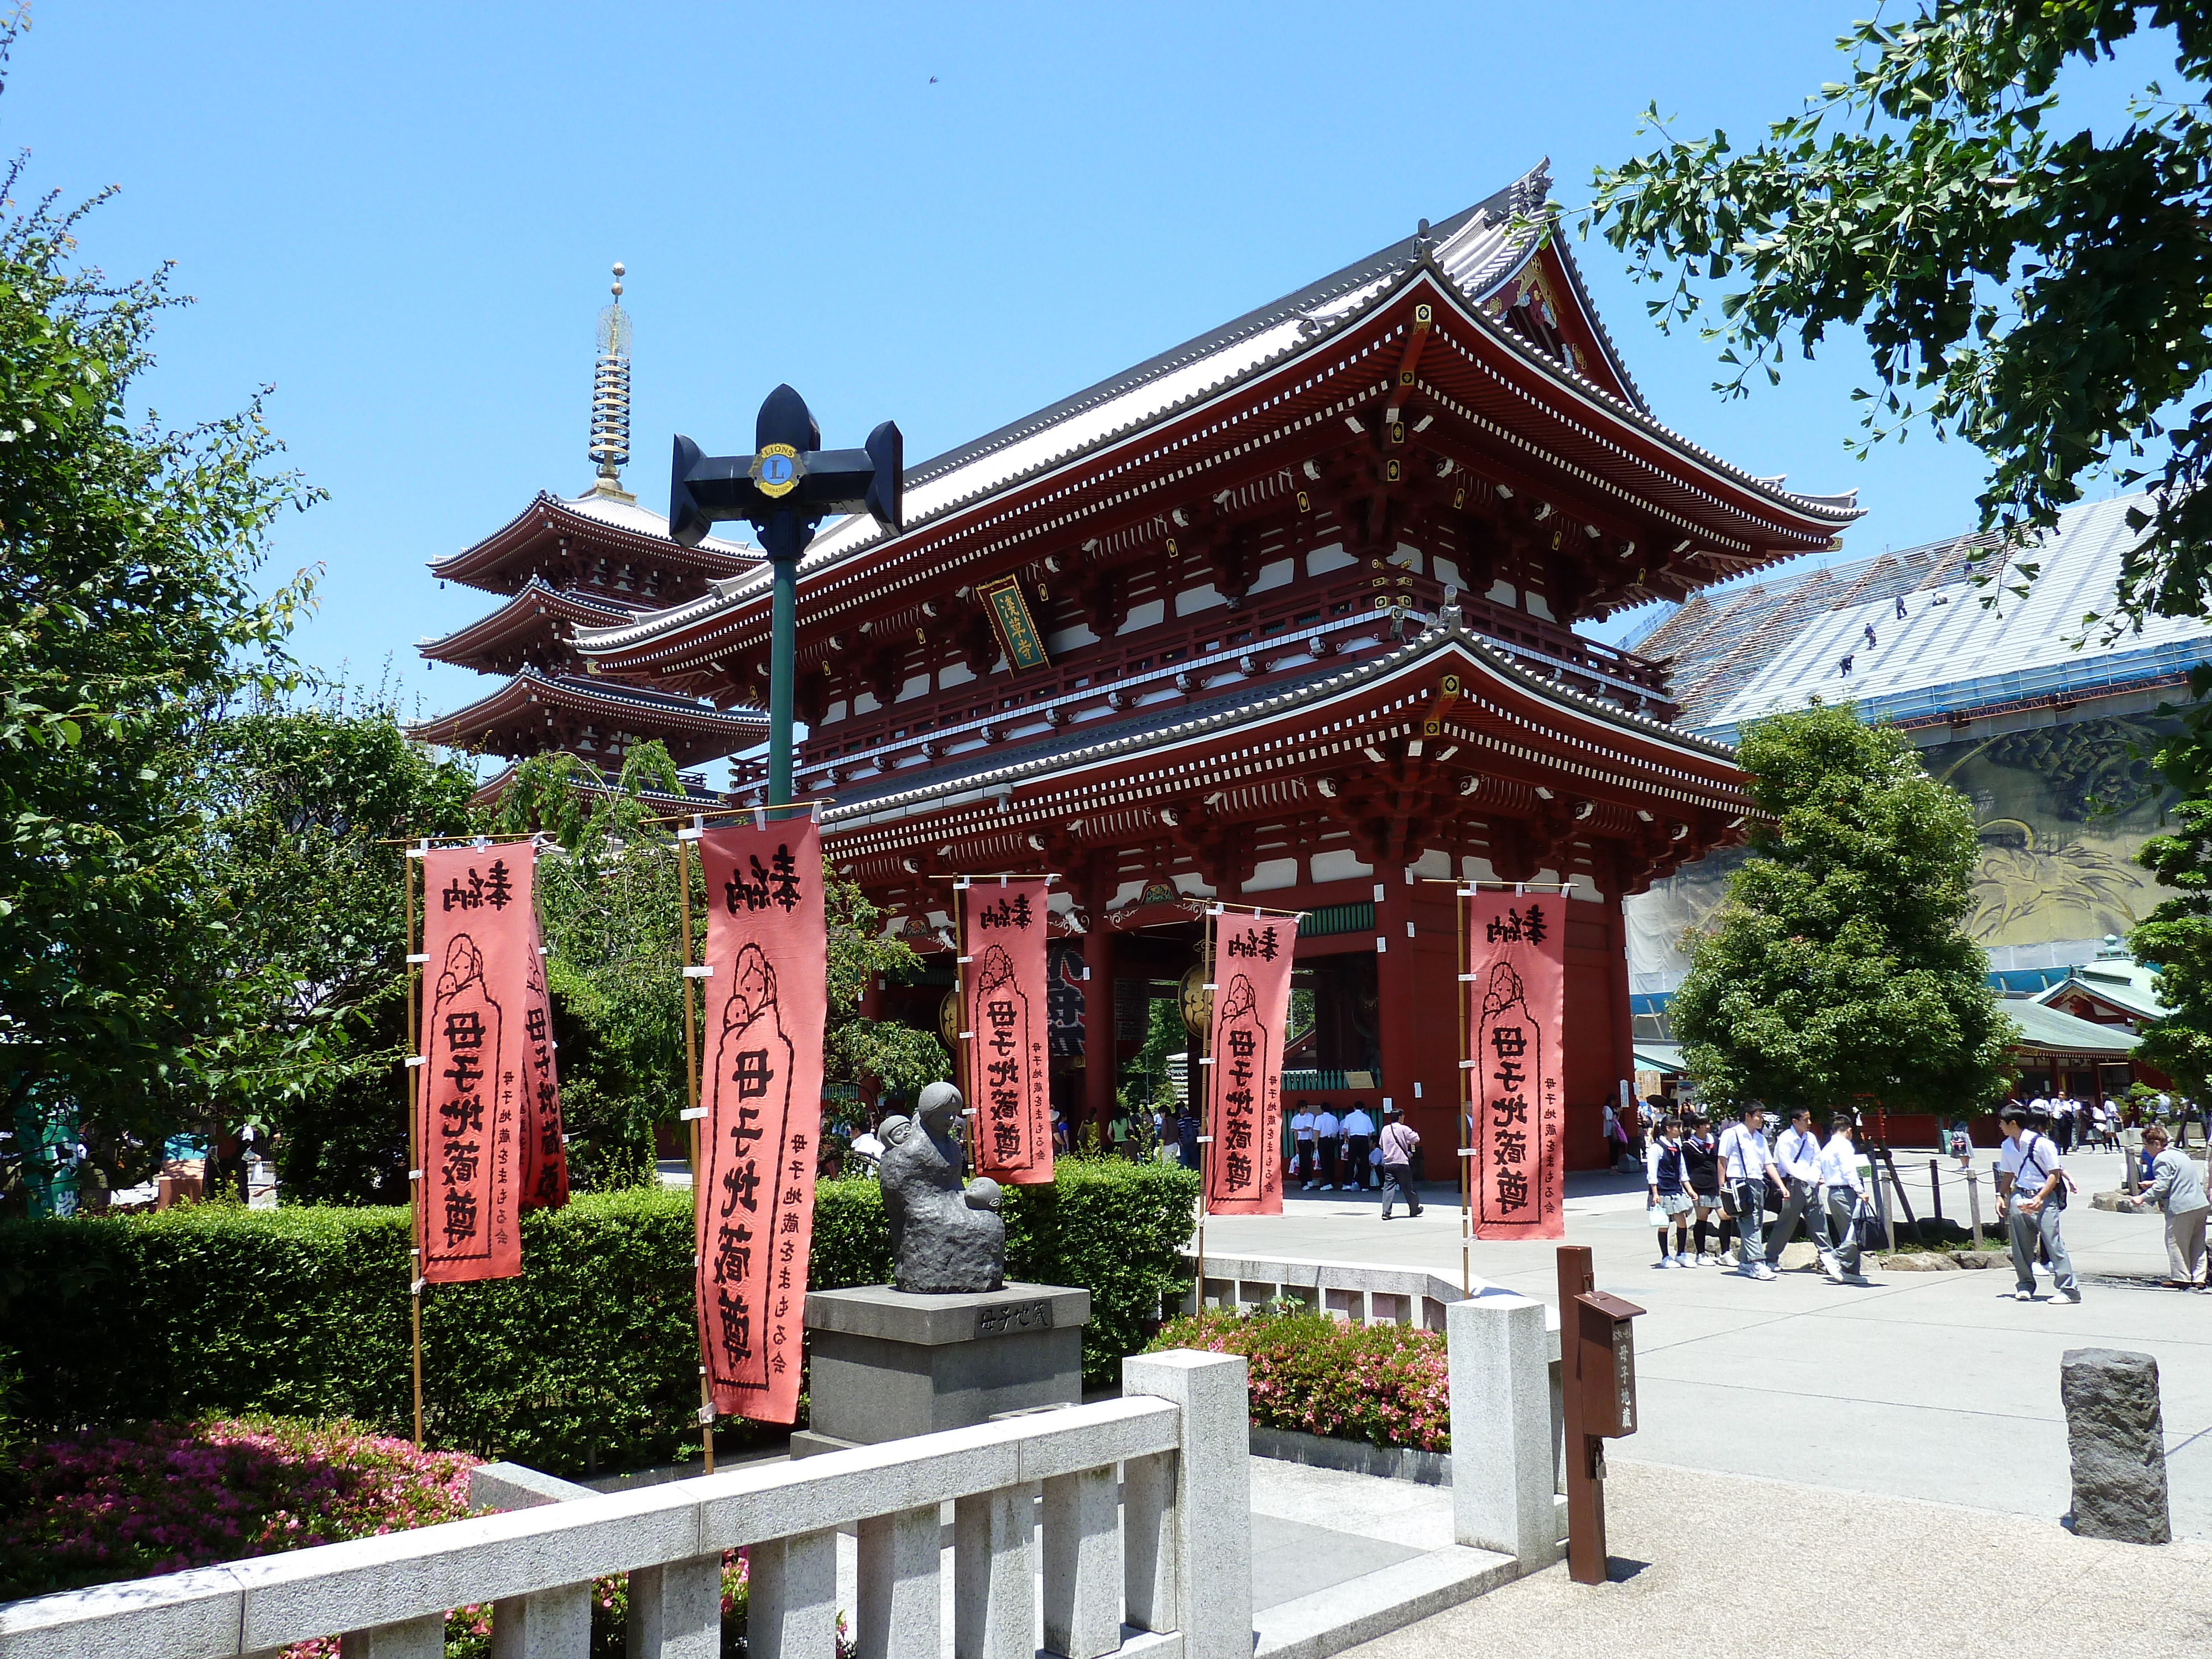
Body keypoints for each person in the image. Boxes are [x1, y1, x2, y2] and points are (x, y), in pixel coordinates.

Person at [1999, 1105, 2079, 1305]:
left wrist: (2041, 1197)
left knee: (2053, 1243)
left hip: (2043, 1197)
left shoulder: (2042, 1144)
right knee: (2020, 1246)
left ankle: (2069, 1290)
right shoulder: (2007, 1146)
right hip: (2020, 1195)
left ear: (2014, 1124)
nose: (2000, 1126)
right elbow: (2008, 1174)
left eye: (2002, 1122)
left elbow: (2054, 1173)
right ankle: (2025, 1285)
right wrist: (2000, 1195)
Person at [2134, 1124, 2209, 1288]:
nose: (2146, 1150)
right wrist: (2153, 1183)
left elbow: (2162, 1187)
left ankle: (2181, 1277)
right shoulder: (2179, 1154)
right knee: (2197, 1243)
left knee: (2175, 1242)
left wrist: (2142, 1198)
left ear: (2156, 1144)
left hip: (2181, 1206)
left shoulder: (2161, 1159)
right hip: (2200, 1204)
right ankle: (2199, 1278)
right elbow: (2176, 1177)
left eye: (2146, 1146)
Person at [1765, 1107, 1836, 1275]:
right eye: (1805, 1120)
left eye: (1810, 1119)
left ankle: (1828, 1259)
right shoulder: (1786, 1139)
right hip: (1793, 1185)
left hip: (1811, 1185)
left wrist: (1815, 1176)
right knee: (1787, 1224)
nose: (1809, 1123)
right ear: (1795, 1121)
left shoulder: (1811, 1138)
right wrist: (1810, 1178)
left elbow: (1817, 1159)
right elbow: (1787, 1165)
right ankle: (1770, 1258)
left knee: (1819, 1223)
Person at [1719, 1106, 1782, 1280]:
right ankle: (1757, 1262)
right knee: (1749, 1222)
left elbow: (1768, 1164)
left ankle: (1745, 1262)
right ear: (1747, 1116)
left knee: (1757, 1222)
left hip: (1757, 1182)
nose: (1761, 1120)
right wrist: (1722, 1185)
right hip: (1739, 1182)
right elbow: (1722, 1160)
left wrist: (1781, 1186)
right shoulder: (1732, 1134)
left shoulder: (1760, 1138)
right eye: (1758, 1116)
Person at [1816, 1113, 1873, 1286]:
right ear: (1849, 1130)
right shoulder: (1845, 1146)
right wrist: (1860, 1190)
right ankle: (1834, 1257)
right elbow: (1849, 1170)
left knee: (1846, 1233)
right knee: (1856, 1233)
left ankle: (1850, 1271)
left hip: (1832, 1193)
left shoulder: (1827, 1148)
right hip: (1846, 1191)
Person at [1647, 1114, 1695, 1267]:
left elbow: (1683, 1171)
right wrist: (1655, 1193)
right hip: (1662, 1191)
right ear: (1668, 1129)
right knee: (1664, 1224)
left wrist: (1690, 1190)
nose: (1680, 1131)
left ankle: (1681, 1253)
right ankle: (1665, 1257)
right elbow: (1652, 1172)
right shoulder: (1657, 1148)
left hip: (1676, 1189)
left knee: (1682, 1222)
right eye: (1677, 1127)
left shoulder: (1677, 1147)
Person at [1681, 1114, 1724, 1265]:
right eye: (1703, 1124)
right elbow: (1685, 1168)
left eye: (1708, 1123)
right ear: (1695, 1127)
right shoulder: (1688, 1146)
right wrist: (1689, 1189)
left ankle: (1726, 1252)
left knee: (1725, 1215)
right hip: (1700, 1186)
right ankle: (1701, 1253)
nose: (1708, 1126)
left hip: (1717, 1184)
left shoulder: (1716, 1141)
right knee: (1702, 1218)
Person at [1378, 1104, 1423, 1219]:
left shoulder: (1385, 1129)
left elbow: (1381, 1145)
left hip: (1388, 1163)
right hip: (1402, 1162)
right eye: (1403, 1116)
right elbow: (1416, 1138)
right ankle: (1414, 1209)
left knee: (1388, 1187)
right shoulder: (1404, 1128)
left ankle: (1386, 1212)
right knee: (1408, 1187)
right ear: (1399, 1117)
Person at [1341, 1100, 1377, 1192]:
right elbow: (1370, 1132)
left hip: (1353, 1139)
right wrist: (1366, 1140)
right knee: (1365, 1162)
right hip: (1364, 1139)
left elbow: (1345, 1130)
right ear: (1363, 1109)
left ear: (1354, 1108)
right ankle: (1364, 1186)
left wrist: (1347, 1139)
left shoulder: (1349, 1117)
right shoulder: (1366, 1117)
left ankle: (1348, 1184)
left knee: (1351, 1162)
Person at [1313, 1103, 1342, 1190]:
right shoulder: (1334, 1119)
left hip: (1322, 1141)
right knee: (1331, 1162)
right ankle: (1331, 1181)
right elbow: (1337, 1130)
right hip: (1331, 1140)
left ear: (1322, 1110)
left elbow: (1317, 1131)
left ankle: (1327, 1182)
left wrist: (1316, 1143)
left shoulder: (1319, 1118)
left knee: (1324, 1162)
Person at [1290, 1100, 1318, 1190]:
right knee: (1302, 1162)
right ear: (1299, 1109)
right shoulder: (1295, 1118)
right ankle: (1304, 1182)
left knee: (1307, 1161)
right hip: (1300, 1142)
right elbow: (1295, 1133)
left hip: (1308, 1141)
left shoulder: (1310, 1116)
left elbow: (1307, 1128)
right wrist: (1296, 1146)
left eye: (1305, 1108)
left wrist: (1297, 1130)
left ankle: (1308, 1179)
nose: (1304, 1110)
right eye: (1302, 1108)